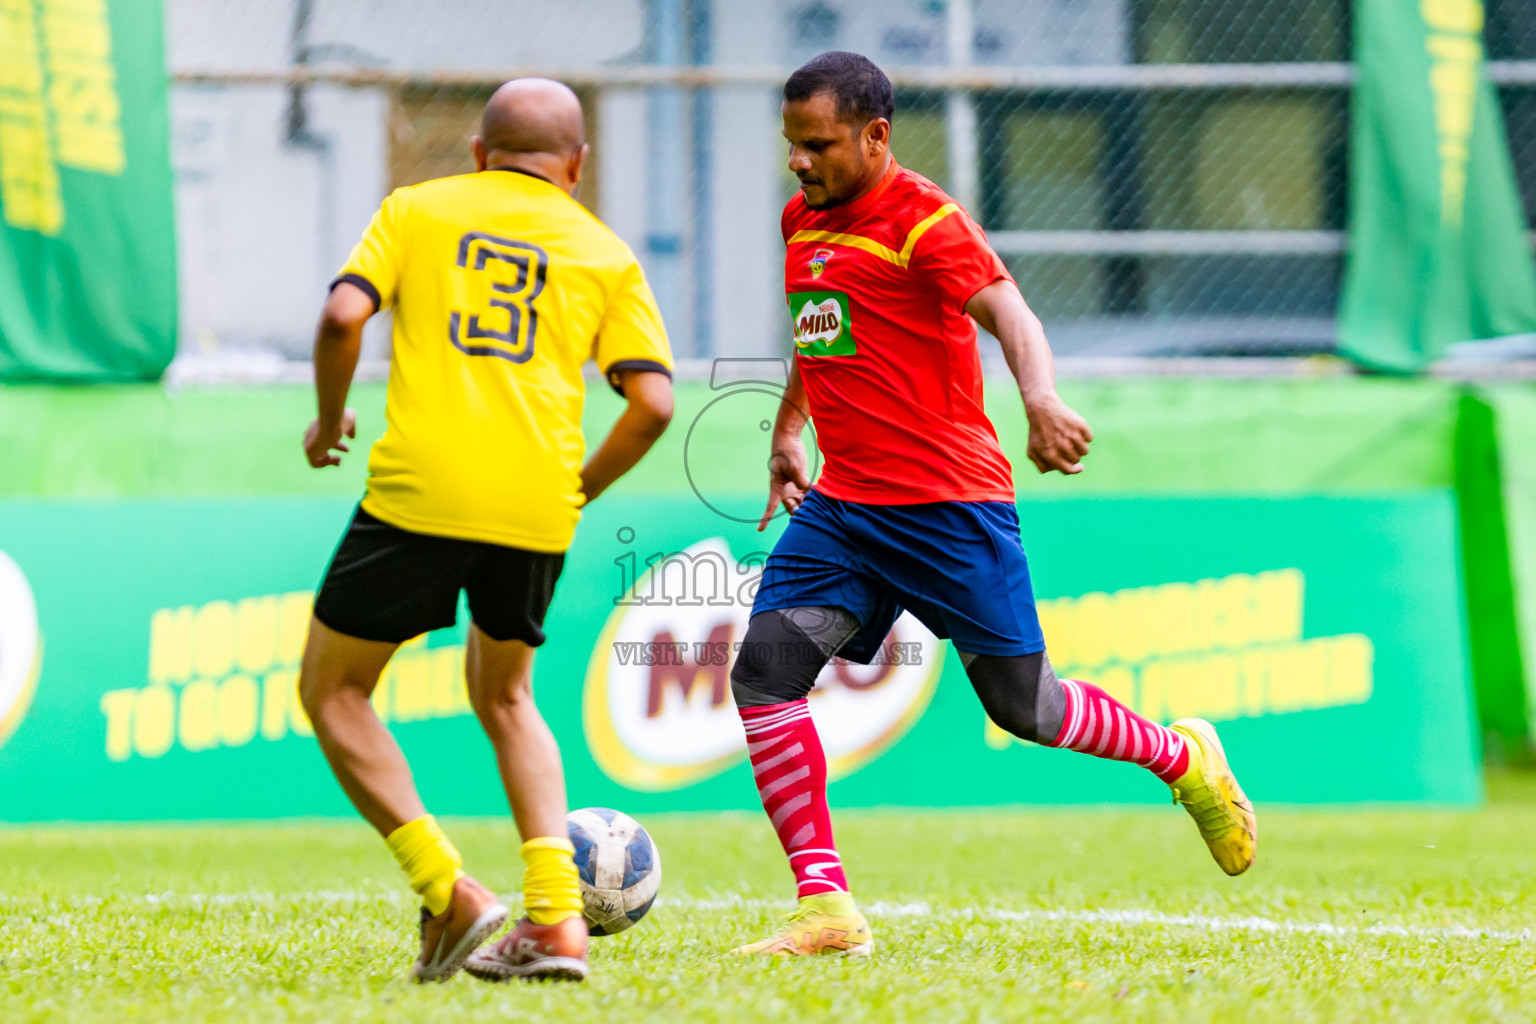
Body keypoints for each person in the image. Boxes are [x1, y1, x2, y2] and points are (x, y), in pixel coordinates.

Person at [728, 52, 1257, 958]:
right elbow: (820, 327)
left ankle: (1184, 758)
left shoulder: (925, 220)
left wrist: (1041, 400)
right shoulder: (801, 222)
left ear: (875, 136)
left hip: (948, 507)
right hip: (846, 509)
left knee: (1026, 709)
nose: (799, 163)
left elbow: (1014, 315)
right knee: (764, 677)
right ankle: (827, 905)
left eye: (816, 145)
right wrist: (790, 430)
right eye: (791, 145)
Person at [298, 78, 674, 983]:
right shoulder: (603, 251)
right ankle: (554, 920)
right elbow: (654, 403)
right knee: (508, 699)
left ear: (478, 152)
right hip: (536, 503)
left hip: (420, 492)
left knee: (335, 690)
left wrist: (328, 417)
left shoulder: (418, 209)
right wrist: (577, 487)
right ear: (576, 166)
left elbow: (344, 314)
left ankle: (450, 890)